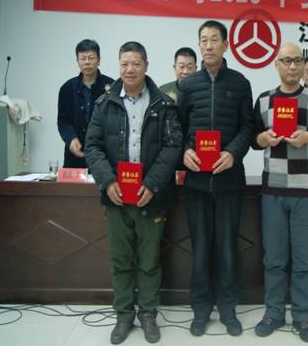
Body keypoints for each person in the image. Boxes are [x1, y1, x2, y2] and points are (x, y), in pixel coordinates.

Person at [85, 41, 183, 344]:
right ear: (118, 66)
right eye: (124, 64)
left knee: (149, 261)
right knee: (121, 261)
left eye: (135, 64)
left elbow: (173, 147)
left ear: (146, 66)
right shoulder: (105, 103)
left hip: (151, 196)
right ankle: (124, 315)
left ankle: (148, 314)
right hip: (116, 197)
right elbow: (92, 146)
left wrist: (151, 184)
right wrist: (107, 181)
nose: (129, 69)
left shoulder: (164, 105)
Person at [252, 42, 308, 343]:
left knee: (304, 258)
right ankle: (273, 313)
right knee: (274, 258)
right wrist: (263, 138)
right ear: (276, 64)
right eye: (286, 61)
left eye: (297, 61)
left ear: (303, 65)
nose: (292, 66)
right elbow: (253, 139)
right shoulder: (264, 99)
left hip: (306, 190)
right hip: (273, 189)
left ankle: (302, 316)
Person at [177, 20, 254, 337]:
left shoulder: (240, 83)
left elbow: (248, 127)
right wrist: (184, 151)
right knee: (200, 251)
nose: (208, 46)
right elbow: (178, 129)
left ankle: (227, 308)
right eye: (203, 40)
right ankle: (200, 309)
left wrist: (233, 153)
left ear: (226, 45)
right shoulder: (188, 86)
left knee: (226, 249)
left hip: (228, 182)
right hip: (196, 183)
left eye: (213, 40)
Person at [57, 39, 113, 168]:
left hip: (104, 154)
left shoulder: (112, 86)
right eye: (82, 58)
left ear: (98, 60)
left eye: (91, 58)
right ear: (77, 61)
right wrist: (70, 138)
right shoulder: (67, 88)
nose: (87, 62)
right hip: (75, 155)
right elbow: (62, 121)